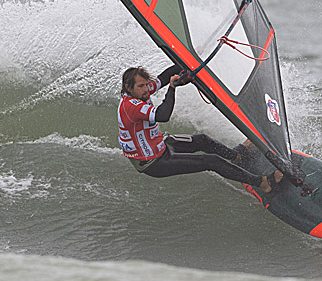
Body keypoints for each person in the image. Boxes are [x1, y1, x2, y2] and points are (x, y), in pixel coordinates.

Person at [118, 64, 281, 193]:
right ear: (128, 87)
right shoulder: (130, 106)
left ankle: (237, 157)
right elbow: (163, 115)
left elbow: (166, 76)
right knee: (211, 161)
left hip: (160, 145)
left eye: (147, 85)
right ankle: (263, 183)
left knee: (203, 140)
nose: (146, 89)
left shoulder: (142, 91)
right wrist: (172, 88)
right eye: (141, 86)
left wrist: (190, 64)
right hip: (153, 162)